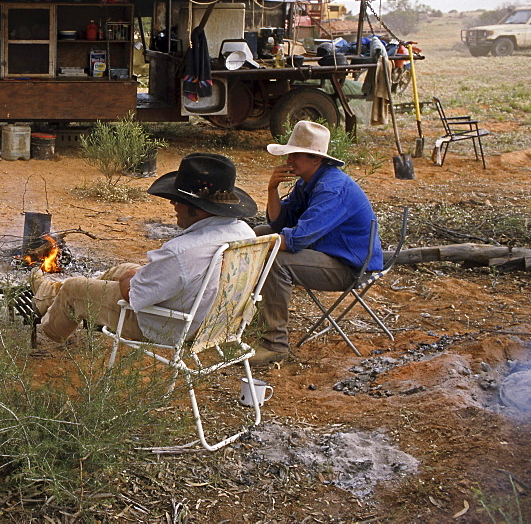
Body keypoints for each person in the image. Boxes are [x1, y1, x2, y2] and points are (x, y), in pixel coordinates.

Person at [32, 153, 257, 345]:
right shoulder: (245, 233)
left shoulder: (183, 250)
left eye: (178, 200)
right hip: (214, 319)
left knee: (75, 289)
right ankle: (47, 295)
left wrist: (130, 279)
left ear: (197, 208)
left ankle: (49, 332)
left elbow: (133, 293)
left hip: (170, 327)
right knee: (122, 269)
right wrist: (130, 275)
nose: (173, 204)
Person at [251, 120, 383, 366]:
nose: (290, 160)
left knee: (276, 261)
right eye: (290, 153)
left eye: (297, 155)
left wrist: (252, 247)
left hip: (349, 266)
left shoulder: (331, 188)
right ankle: (253, 322)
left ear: (317, 159)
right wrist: (272, 189)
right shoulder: (307, 182)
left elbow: (297, 239)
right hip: (326, 252)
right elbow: (280, 223)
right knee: (260, 231)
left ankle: (274, 345)